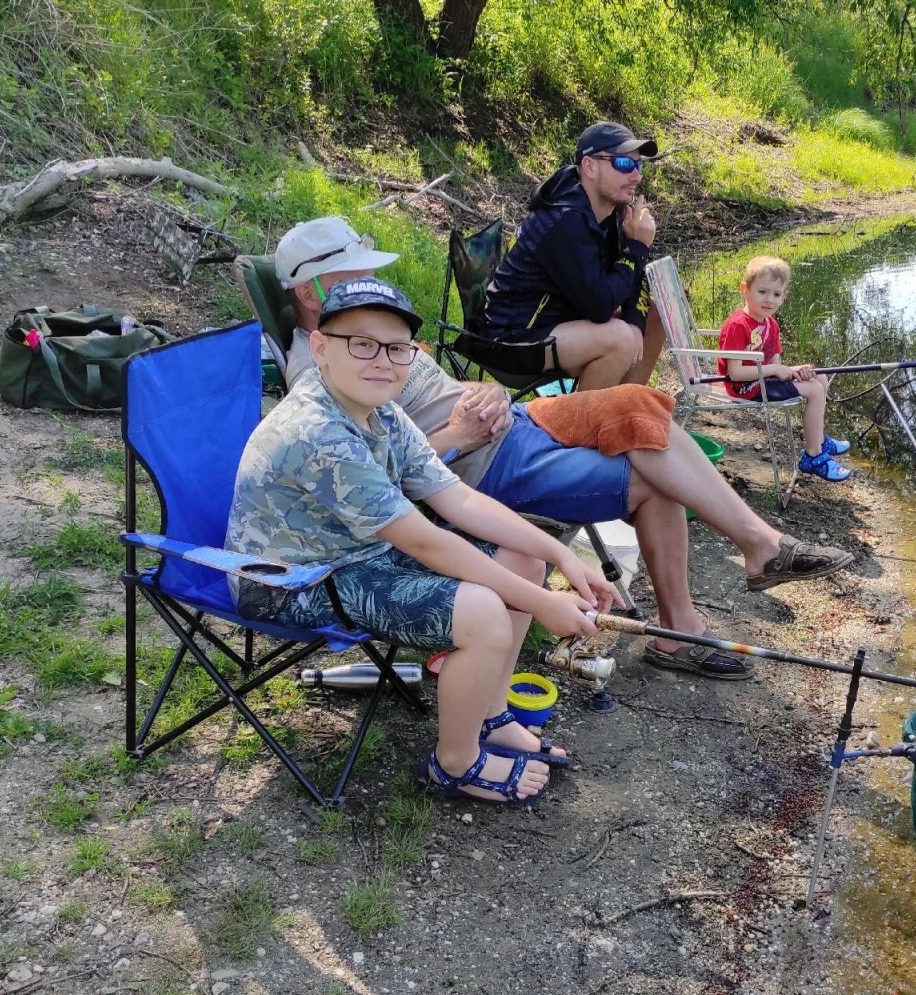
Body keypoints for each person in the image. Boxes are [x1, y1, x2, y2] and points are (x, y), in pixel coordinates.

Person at [273, 218, 860, 681]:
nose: (369, 284)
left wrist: (489, 394)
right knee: (657, 476)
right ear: (308, 290)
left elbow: (440, 390)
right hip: (482, 460)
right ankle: (686, 623)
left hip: (514, 419)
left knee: (641, 402)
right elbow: (374, 472)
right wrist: (456, 436)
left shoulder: (368, 328)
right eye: (354, 274)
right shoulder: (320, 368)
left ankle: (759, 547)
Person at [226, 276, 619, 807]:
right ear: (320, 347)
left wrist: (559, 556)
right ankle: (453, 763)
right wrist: (546, 604)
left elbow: (456, 498)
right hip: (292, 579)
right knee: (483, 612)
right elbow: (428, 542)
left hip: (358, 552)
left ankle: (489, 712)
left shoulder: (381, 410)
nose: (382, 361)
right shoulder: (317, 430)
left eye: (396, 348)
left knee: (524, 559)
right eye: (361, 344)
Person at [471, 122, 666, 392]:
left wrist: (635, 321)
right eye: (623, 163)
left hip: (559, 324)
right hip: (511, 340)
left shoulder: (615, 211)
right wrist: (637, 248)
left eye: (638, 165)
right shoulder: (563, 221)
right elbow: (599, 306)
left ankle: (621, 416)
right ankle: (575, 430)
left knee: (655, 316)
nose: (635, 176)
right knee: (619, 339)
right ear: (589, 166)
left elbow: (631, 279)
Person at [718, 255, 851, 484]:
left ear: (784, 296)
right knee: (814, 391)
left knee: (819, 377)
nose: (769, 299)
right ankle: (813, 455)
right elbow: (735, 374)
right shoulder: (738, 325)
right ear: (745, 290)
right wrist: (775, 370)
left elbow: (776, 365)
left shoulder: (771, 324)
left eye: (776, 294)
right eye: (762, 292)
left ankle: (818, 438)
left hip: (763, 381)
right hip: (744, 387)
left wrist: (794, 370)